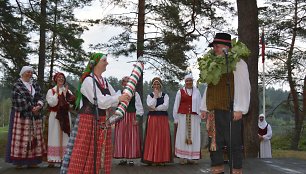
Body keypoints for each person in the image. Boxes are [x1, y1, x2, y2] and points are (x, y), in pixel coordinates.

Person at [60, 53, 130, 174]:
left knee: (99, 152)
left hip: (102, 120)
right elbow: (100, 101)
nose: (107, 63)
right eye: (104, 60)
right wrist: (119, 98)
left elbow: (113, 100)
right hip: (88, 120)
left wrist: (124, 96)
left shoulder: (105, 82)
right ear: (96, 63)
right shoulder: (88, 80)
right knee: (84, 151)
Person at [200, 33, 251, 174]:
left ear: (226, 48)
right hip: (214, 111)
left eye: (217, 46)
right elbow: (209, 88)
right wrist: (204, 107)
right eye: (214, 46)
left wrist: (240, 108)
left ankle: (236, 169)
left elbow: (244, 86)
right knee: (214, 143)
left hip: (231, 109)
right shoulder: (212, 64)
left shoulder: (238, 63)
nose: (214, 48)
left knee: (233, 142)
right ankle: (217, 168)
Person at [5, 66, 46, 168]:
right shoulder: (17, 85)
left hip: (34, 116)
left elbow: (40, 97)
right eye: (27, 72)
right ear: (22, 73)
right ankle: (19, 162)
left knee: (34, 138)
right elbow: (17, 100)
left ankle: (32, 161)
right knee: (21, 139)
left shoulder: (35, 85)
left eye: (31, 72)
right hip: (21, 115)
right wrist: (32, 108)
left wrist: (39, 106)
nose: (29, 74)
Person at [46, 72, 76, 167]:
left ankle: (64, 157)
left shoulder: (68, 91)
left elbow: (71, 104)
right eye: (59, 77)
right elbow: (52, 103)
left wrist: (66, 95)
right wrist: (58, 94)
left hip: (65, 116)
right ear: (55, 79)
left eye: (62, 78)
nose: (61, 79)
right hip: (55, 116)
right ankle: (53, 158)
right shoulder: (51, 91)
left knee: (65, 135)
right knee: (54, 135)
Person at [113, 76, 144, 166]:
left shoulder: (135, 94)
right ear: (122, 83)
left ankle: (131, 158)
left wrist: (137, 118)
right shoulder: (119, 93)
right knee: (121, 136)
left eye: (128, 82)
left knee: (132, 137)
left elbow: (139, 107)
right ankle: (122, 158)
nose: (126, 83)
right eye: (124, 82)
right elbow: (114, 104)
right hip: (121, 117)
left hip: (131, 117)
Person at [173, 74, 202, 164]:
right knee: (182, 135)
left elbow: (200, 104)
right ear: (185, 82)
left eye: (190, 81)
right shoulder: (180, 92)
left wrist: (200, 116)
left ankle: (192, 157)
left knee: (194, 135)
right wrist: (176, 118)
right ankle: (183, 157)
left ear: (192, 82)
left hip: (194, 117)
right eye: (187, 81)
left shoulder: (197, 92)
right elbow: (176, 105)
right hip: (182, 117)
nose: (188, 82)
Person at [142, 77, 172, 165]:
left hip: (162, 118)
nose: (156, 86)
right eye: (154, 84)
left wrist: (156, 108)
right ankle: (152, 158)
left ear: (160, 85)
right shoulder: (150, 96)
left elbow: (165, 106)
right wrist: (155, 97)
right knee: (153, 137)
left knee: (162, 137)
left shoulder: (165, 95)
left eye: (158, 84)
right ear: (152, 86)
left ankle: (162, 159)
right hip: (153, 119)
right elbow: (150, 105)